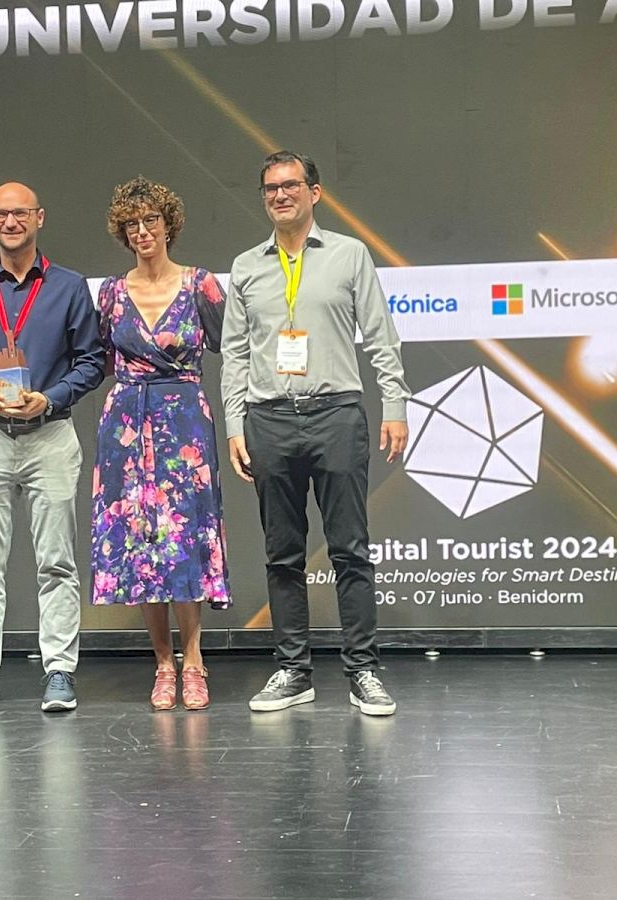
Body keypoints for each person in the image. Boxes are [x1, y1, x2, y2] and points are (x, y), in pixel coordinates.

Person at [221, 151, 410, 717]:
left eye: (291, 185)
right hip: (269, 418)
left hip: (336, 414)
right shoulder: (246, 266)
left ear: (315, 192)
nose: (280, 195)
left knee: (350, 549)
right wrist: (235, 424)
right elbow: (234, 354)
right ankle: (293, 671)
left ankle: (363, 670)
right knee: (282, 554)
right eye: (270, 188)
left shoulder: (349, 255)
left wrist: (395, 406)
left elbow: (380, 336)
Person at [0, 181, 105, 714]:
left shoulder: (69, 287)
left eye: (20, 213)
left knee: (57, 563)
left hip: (50, 436)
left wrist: (50, 397)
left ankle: (59, 670)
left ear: (39, 218)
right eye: (1, 214)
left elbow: (92, 361)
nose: (10, 222)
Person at [91, 176, 232, 711]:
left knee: (183, 538)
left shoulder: (200, 285)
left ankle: (194, 661)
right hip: (126, 424)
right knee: (140, 544)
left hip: (184, 424)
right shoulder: (111, 293)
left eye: (150, 220)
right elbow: (99, 359)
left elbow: (234, 348)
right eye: (132, 224)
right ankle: (163, 665)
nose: (142, 231)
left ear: (168, 224)